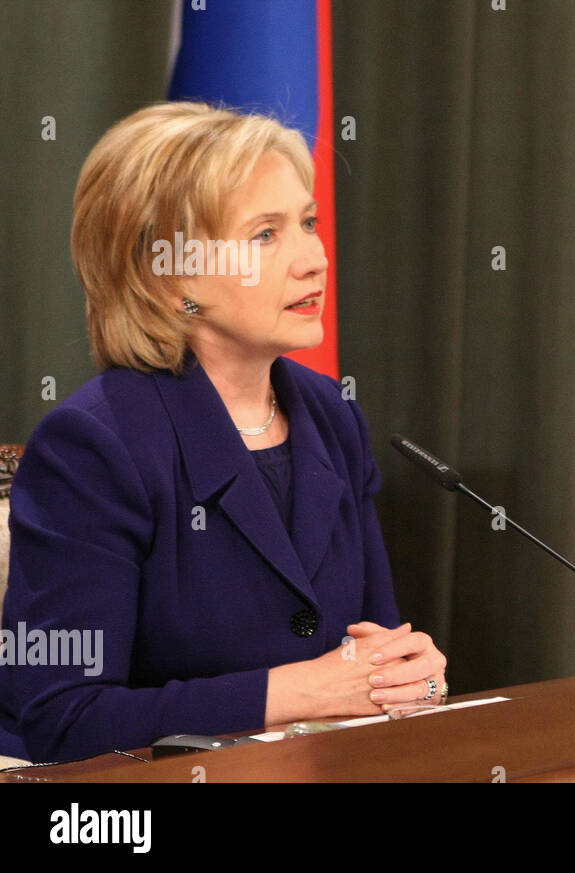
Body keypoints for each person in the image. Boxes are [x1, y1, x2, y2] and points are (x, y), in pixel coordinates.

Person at [0, 103, 446, 763]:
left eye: (308, 223)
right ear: (169, 272)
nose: (314, 259)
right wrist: (294, 690)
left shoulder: (331, 414)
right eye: (265, 235)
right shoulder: (96, 447)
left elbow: (371, 648)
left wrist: (412, 673)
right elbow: (62, 718)